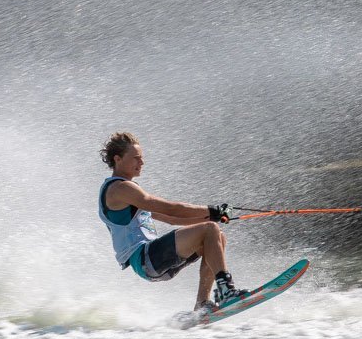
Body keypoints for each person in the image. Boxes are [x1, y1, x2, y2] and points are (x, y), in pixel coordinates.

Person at [98, 131, 249, 313]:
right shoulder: (119, 188)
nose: (142, 162)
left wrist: (213, 216)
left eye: (142, 158)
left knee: (216, 237)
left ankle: (202, 304)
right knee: (210, 230)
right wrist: (210, 210)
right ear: (118, 159)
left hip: (153, 263)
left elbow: (171, 219)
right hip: (146, 259)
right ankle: (226, 291)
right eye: (136, 158)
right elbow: (170, 208)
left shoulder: (127, 192)